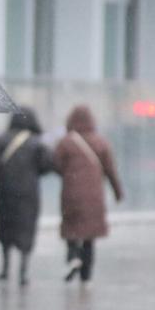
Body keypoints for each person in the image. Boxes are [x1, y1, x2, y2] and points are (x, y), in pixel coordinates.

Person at [54, 105, 123, 285]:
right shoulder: (101, 142)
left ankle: (72, 257)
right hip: (94, 197)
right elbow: (111, 171)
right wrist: (118, 192)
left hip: (71, 195)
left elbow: (56, 165)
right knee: (89, 237)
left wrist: (71, 174)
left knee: (71, 229)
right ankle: (86, 276)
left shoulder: (66, 143)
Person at [0, 107, 54, 286]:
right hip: (28, 194)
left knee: (6, 227)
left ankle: (5, 268)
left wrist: (3, 171)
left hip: (5, 192)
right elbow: (47, 164)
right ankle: (23, 271)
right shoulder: (36, 143)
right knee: (26, 228)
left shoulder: (2, 139)